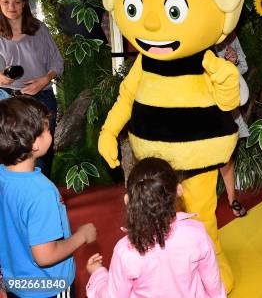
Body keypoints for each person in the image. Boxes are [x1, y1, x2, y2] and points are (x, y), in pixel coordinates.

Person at [85, 157, 225, 298]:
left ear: (127, 200)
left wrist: (98, 274)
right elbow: (214, 287)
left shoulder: (125, 251)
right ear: (179, 190)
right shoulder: (196, 234)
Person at [0, 96, 97, 298]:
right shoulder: (41, 192)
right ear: (34, 144)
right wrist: (81, 236)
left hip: (16, 283)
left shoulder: (3, 176)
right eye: (46, 129)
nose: (50, 132)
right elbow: (45, 255)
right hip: (48, 287)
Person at [0, 0, 64, 178]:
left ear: (24, 4)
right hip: (8, 100)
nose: (11, 7)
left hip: (42, 98)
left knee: (43, 151)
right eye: (5, 2)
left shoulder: (38, 29)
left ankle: (42, 193)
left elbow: (57, 63)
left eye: (17, 2)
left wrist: (44, 80)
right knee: (12, 151)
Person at [215, 32, 249, 217]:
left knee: (225, 154)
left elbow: (244, 66)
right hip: (199, 102)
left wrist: (234, 62)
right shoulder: (194, 36)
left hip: (224, 105)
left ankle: (232, 199)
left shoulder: (230, 37)